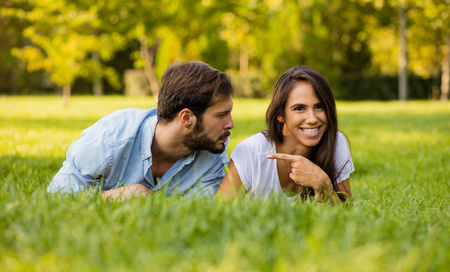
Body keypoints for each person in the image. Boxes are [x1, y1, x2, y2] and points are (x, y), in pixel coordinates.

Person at [48, 61, 234, 200]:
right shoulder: (110, 138)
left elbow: (200, 213)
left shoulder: (212, 155)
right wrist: (114, 197)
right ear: (186, 118)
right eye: (221, 115)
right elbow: (57, 197)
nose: (230, 124)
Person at [218, 65, 354, 203]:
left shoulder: (335, 143)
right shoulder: (250, 152)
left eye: (319, 107)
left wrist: (323, 186)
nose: (312, 119)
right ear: (280, 114)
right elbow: (218, 212)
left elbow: (347, 215)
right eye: (299, 108)